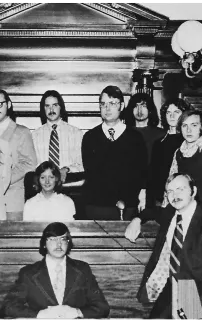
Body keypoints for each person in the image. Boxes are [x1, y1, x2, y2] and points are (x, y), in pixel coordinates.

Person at [125, 173, 202, 319]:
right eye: (170, 191)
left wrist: (199, 306)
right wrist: (137, 219)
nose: (175, 195)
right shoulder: (169, 214)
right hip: (171, 286)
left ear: (194, 191)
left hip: (196, 290)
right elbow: (151, 211)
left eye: (180, 189)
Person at [0, 222, 110, 319]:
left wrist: (77, 312)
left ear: (68, 242)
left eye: (63, 239)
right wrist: (40, 314)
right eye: (52, 239)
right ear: (44, 244)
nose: (59, 244)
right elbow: (8, 307)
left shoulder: (83, 269)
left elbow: (102, 307)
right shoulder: (28, 273)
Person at [81, 85, 148, 220]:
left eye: (112, 103)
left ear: (121, 106)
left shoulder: (135, 137)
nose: (107, 108)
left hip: (128, 207)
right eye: (103, 104)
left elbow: (141, 173)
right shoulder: (90, 137)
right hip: (97, 207)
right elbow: (92, 174)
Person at [0, 89, 38, 221]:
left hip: (12, 202)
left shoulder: (21, 132)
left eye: (0, 104)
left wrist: (4, 179)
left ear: (8, 105)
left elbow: (29, 164)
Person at [30, 90, 84, 184]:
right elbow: (32, 165)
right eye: (47, 106)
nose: (51, 110)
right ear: (43, 109)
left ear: (61, 107)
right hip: (44, 187)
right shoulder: (35, 136)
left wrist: (67, 169)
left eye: (55, 105)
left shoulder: (76, 133)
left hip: (71, 185)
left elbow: (82, 163)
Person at [147, 98, 190, 208]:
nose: (172, 116)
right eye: (168, 113)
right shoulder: (158, 142)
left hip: (182, 196)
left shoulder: (187, 141)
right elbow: (152, 174)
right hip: (160, 198)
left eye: (176, 112)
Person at [167, 109, 202, 207]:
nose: (188, 130)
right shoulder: (178, 152)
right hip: (182, 205)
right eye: (185, 126)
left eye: (194, 125)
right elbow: (171, 182)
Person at [126, 93, 165, 164]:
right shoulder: (124, 133)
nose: (139, 110)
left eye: (143, 106)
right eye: (136, 106)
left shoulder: (160, 134)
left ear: (150, 110)